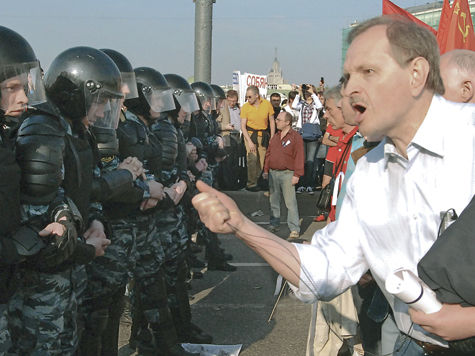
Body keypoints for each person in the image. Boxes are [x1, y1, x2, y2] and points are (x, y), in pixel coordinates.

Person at [192, 15, 474, 356]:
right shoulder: (369, 172)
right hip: (410, 345)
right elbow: (324, 271)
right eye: (347, 76)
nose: (351, 88)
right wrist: (240, 225)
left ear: (415, 74)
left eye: (368, 72)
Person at [262, 111, 304, 240]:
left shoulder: (295, 137)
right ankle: (274, 223)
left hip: (287, 173)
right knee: (274, 200)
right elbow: (269, 154)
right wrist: (266, 170)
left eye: (279, 120)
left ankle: (294, 228)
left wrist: (297, 174)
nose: (276, 121)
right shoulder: (275, 136)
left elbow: (299, 156)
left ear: (287, 122)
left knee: (290, 202)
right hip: (273, 173)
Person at [240, 85, 275, 191]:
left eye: (250, 97)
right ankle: (251, 184)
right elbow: (243, 125)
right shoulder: (245, 107)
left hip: (262, 134)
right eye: (247, 97)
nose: (248, 99)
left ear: (257, 96)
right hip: (250, 134)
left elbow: (272, 121)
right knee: (252, 158)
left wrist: (272, 136)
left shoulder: (267, 104)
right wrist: (249, 141)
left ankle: (256, 180)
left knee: (261, 160)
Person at [292, 84, 323, 194]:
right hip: (302, 133)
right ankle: (301, 184)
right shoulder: (301, 103)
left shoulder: (315, 104)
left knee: (310, 161)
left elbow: (320, 106)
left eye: (308, 91)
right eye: (306, 92)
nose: (307, 93)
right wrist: (300, 92)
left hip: (313, 135)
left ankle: (309, 184)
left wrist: (313, 93)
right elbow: (294, 105)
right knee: (302, 161)